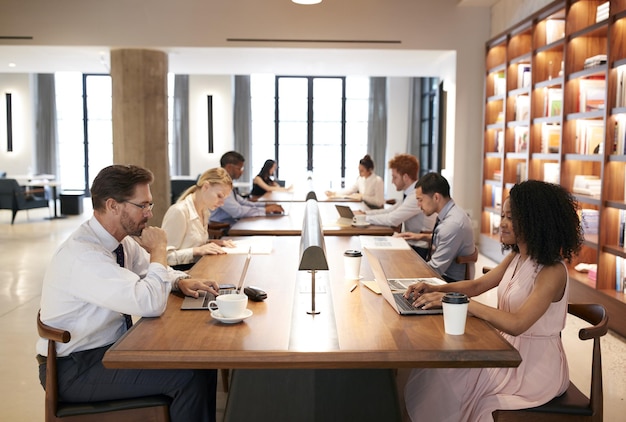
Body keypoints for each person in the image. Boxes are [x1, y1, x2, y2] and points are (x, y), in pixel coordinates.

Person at [36, 164, 221, 422]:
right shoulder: (85, 255)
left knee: (202, 365)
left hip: (109, 350)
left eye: (150, 205)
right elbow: (150, 303)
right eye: (142, 206)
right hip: (75, 369)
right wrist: (159, 250)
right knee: (188, 377)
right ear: (113, 205)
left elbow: (149, 271)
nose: (148, 214)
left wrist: (180, 281)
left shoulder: (119, 242)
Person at [402, 180, 583, 421]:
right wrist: (435, 287)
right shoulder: (517, 256)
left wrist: (462, 304)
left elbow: (518, 323)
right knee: (438, 372)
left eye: (510, 218)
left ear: (534, 220)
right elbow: (477, 285)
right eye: (503, 215)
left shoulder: (552, 271)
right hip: (507, 350)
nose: (503, 223)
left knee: (464, 388)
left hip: (534, 366)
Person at [395, 172, 474, 282]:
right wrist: (421, 237)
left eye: (420, 200)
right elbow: (443, 237)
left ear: (436, 197)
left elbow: (434, 270)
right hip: (444, 275)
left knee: (396, 270)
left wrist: (403, 272)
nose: (418, 205)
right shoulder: (452, 213)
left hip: (449, 282)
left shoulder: (452, 224)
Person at [355, 154, 436, 258]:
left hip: (420, 248)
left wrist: (362, 218)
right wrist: (364, 213)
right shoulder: (410, 193)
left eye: (394, 177)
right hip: (412, 243)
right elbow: (390, 211)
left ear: (405, 177)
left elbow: (392, 219)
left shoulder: (415, 197)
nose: (392, 181)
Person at [162, 167, 235, 270]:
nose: (222, 203)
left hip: (199, 269)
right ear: (205, 187)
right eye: (219, 196)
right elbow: (164, 257)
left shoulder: (204, 211)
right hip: (181, 276)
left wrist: (211, 243)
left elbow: (191, 243)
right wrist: (197, 251)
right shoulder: (179, 211)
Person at [209, 151, 285, 225]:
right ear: (229, 167)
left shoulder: (227, 184)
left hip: (233, 222)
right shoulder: (219, 186)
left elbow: (243, 202)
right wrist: (265, 210)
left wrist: (265, 205)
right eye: (240, 168)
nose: (242, 172)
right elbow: (237, 211)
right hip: (223, 227)